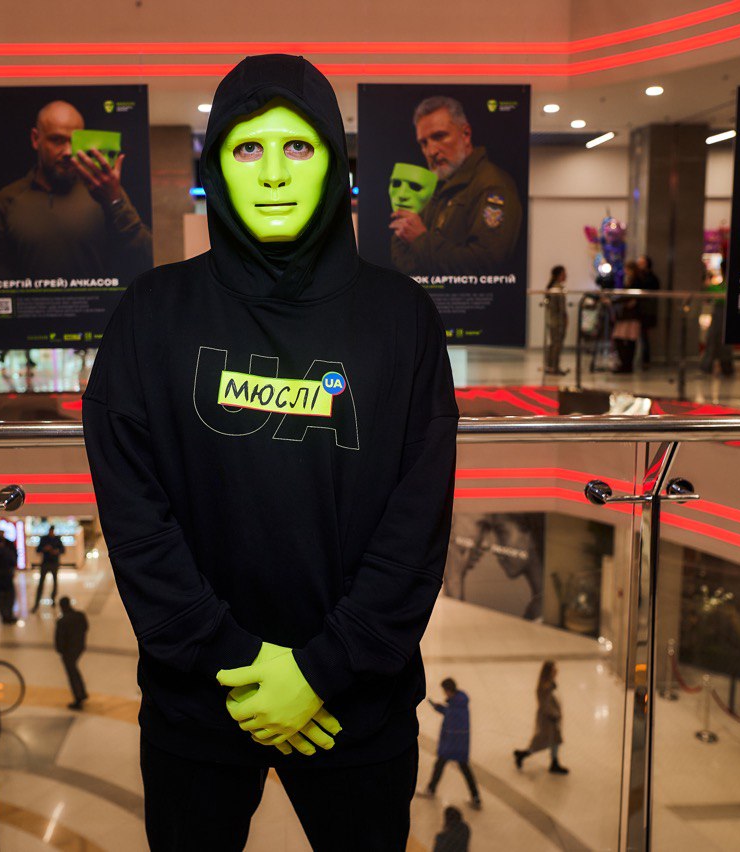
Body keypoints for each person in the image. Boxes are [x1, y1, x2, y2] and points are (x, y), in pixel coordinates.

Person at [82, 54, 457, 852]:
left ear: (333, 163)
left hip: (355, 707)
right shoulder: (152, 315)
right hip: (198, 705)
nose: (275, 174)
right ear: (216, 165)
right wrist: (231, 660)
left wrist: (321, 671)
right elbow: (136, 521)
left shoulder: (401, 319)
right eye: (249, 148)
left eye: (298, 147)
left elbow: (417, 524)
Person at [0, 100, 152, 287]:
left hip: (97, 305)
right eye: (57, 140)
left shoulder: (103, 191)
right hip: (31, 304)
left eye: (75, 141)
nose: (68, 151)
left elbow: (145, 257)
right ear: (35, 139)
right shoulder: (8, 199)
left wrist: (115, 201)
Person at [389, 96, 521, 276]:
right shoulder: (439, 185)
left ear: (465, 134)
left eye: (439, 136)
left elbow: (485, 264)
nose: (431, 151)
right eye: (424, 143)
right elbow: (408, 263)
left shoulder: (492, 185)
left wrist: (420, 239)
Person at [420, 678, 481, 809]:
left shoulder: (456, 706)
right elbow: (449, 712)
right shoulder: (459, 703)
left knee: (441, 765)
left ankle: (431, 789)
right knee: (461, 769)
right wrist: (438, 707)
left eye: (444, 690)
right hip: (460, 745)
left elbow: (450, 721)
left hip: (453, 745)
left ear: (448, 690)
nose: (444, 693)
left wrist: (444, 746)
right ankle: (475, 797)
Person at [513, 660, 568, 774]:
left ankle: (554, 762)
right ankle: (523, 755)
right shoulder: (545, 687)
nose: (556, 671)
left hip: (552, 718)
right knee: (542, 741)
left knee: (555, 741)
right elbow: (545, 704)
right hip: (548, 720)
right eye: (554, 669)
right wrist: (554, 714)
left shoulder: (550, 684)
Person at [55, 596, 90, 710]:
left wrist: (61, 650)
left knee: (72, 674)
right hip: (79, 647)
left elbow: (59, 639)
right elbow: (86, 627)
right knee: (74, 670)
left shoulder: (62, 621)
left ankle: (78, 697)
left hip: (68, 652)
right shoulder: (80, 615)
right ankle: (82, 693)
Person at [610, 262, 642, 374]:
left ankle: (626, 364)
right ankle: (626, 364)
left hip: (630, 316)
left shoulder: (635, 282)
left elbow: (628, 297)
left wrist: (614, 301)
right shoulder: (630, 281)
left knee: (626, 339)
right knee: (626, 339)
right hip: (627, 315)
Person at [634, 255, 660, 366]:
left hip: (645, 311)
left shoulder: (651, 278)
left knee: (644, 336)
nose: (640, 265)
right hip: (636, 311)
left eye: (642, 263)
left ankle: (645, 359)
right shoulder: (636, 276)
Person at [32, 524, 65, 613]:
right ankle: (37, 603)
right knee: (41, 583)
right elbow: (38, 550)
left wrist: (57, 551)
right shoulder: (44, 539)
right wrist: (45, 549)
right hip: (45, 563)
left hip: (54, 563)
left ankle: (53, 599)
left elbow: (63, 550)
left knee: (55, 582)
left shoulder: (57, 539)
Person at [543, 265, 568, 375]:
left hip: (552, 320)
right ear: (559, 275)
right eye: (564, 273)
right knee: (557, 345)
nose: (566, 275)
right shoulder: (558, 289)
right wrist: (565, 319)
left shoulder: (551, 288)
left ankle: (550, 366)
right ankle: (554, 367)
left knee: (554, 344)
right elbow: (561, 308)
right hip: (558, 321)